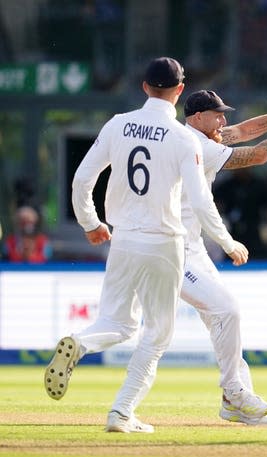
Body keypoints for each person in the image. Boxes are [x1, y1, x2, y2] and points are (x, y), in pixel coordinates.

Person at [44, 57, 251, 433]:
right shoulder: (183, 137)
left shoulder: (118, 125)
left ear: (144, 87)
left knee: (116, 323)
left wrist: (91, 224)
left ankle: (80, 341)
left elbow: (81, 180)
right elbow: (201, 201)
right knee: (157, 334)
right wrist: (227, 240)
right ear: (179, 91)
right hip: (165, 243)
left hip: (122, 239)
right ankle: (121, 412)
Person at [180, 88, 267, 425]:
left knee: (221, 319)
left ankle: (235, 397)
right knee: (220, 313)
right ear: (198, 117)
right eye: (217, 115)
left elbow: (242, 130)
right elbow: (257, 154)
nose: (224, 121)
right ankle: (233, 392)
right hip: (171, 246)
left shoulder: (194, 135)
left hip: (192, 244)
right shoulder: (197, 145)